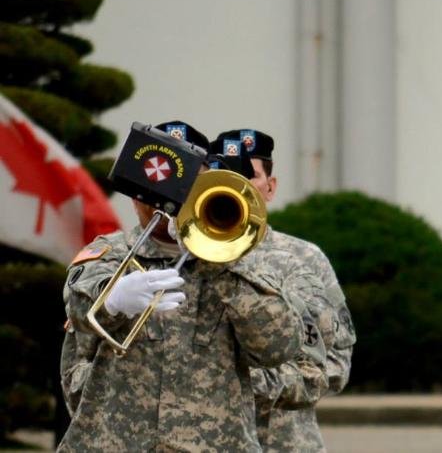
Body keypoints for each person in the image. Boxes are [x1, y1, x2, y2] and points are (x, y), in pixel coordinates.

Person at [58, 121, 303, 451]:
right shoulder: (108, 253)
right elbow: (78, 310)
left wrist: (220, 262)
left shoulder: (242, 263)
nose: (167, 200)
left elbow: (278, 348)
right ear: (136, 196)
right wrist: (113, 299)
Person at [213, 128, 356, 452]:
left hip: (284, 443)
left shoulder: (304, 259)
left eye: (246, 177)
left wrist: (250, 384)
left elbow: (336, 361)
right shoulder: (186, 260)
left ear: (270, 187)